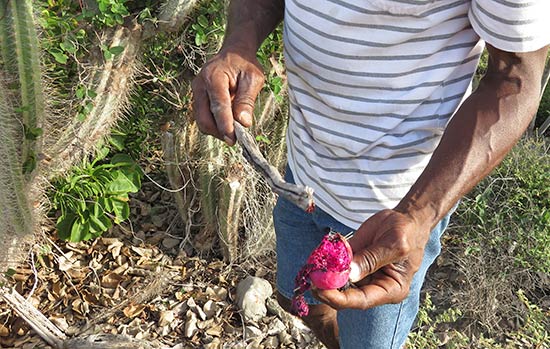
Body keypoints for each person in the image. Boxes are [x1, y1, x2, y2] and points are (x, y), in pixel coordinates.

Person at [191, 1, 549, 348]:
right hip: (302, 174)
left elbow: (515, 81)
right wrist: (239, 42)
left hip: (394, 209)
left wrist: (418, 214)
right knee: (299, 302)